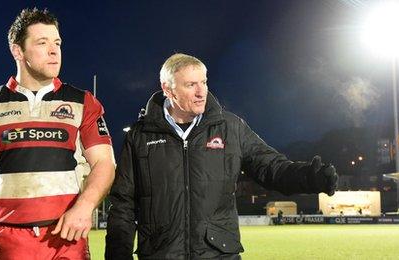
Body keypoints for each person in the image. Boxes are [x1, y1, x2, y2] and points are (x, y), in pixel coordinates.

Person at [105, 53, 338, 259]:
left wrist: (309, 178)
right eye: (191, 85)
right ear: (168, 89)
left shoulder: (230, 127)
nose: (201, 92)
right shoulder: (140, 136)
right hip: (161, 253)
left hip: (218, 254)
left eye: (204, 82)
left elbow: (271, 167)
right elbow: (123, 205)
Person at [0, 8, 115, 260]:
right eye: (42, 43)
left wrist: (84, 208)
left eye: (57, 43)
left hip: (67, 239)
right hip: (11, 242)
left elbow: (104, 163)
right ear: (17, 51)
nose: (54, 50)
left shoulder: (83, 102)